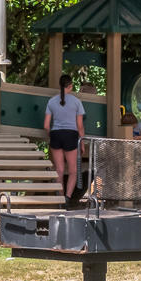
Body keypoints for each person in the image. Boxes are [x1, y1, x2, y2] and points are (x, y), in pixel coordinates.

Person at [45, 75, 87, 206]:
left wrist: (51, 135)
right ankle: (67, 198)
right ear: (71, 86)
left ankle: (59, 198)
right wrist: (82, 142)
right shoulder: (76, 102)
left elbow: (46, 125)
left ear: (60, 85)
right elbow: (80, 126)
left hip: (56, 134)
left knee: (59, 170)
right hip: (71, 135)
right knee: (73, 171)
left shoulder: (51, 101)